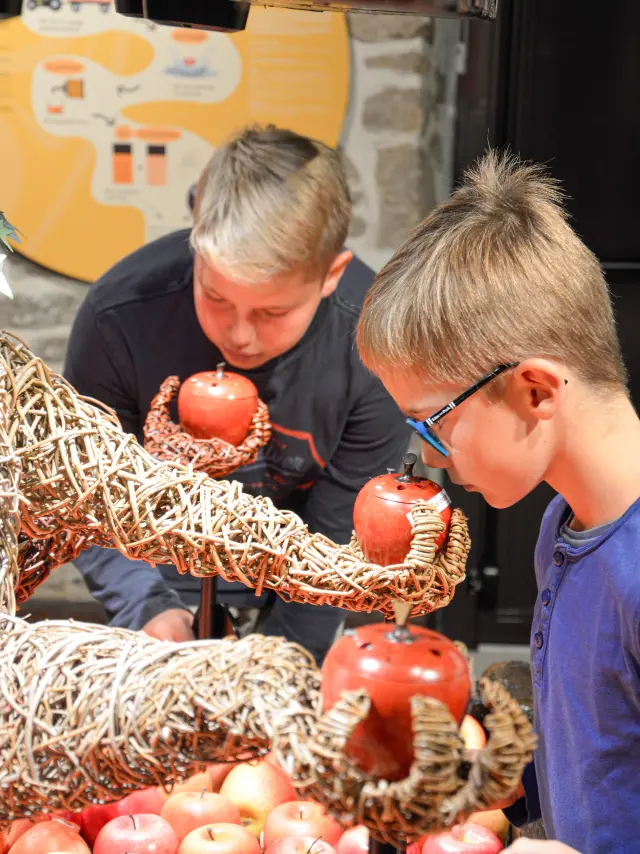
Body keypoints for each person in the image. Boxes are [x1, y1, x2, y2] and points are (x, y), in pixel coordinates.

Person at [356, 150, 640, 853]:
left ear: (537, 390)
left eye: (434, 421)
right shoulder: (563, 524)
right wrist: (515, 781)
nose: (427, 457)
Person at [64, 124, 409, 666]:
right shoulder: (118, 320)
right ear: (196, 238)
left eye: (272, 312)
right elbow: (90, 495)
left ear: (330, 275)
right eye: (215, 296)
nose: (239, 335)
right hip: (154, 583)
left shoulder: (375, 348)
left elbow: (338, 532)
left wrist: (280, 665)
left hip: (299, 589)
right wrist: (146, 607)